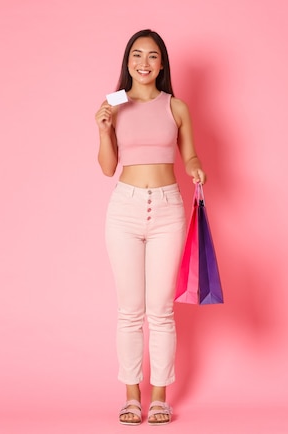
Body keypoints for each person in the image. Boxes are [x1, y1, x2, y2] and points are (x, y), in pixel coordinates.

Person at [95, 29, 206, 426]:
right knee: (129, 311)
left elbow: (189, 154)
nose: (144, 63)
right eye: (137, 55)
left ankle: (159, 397)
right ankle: (130, 397)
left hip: (167, 209)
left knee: (160, 311)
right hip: (123, 209)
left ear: (163, 64)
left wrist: (194, 168)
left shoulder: (176, 107)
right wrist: (103, 129)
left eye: (153, 56)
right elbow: (108, 167)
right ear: (127, 62)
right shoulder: (114, 105)